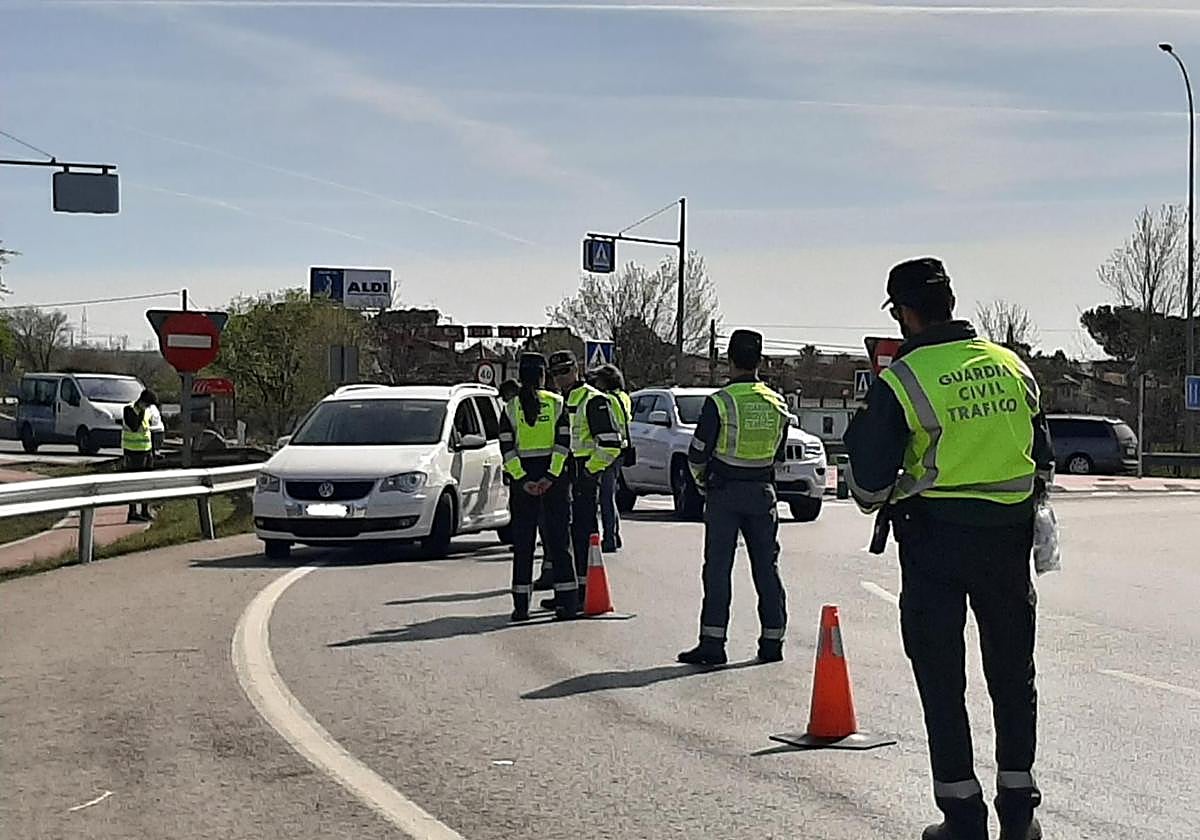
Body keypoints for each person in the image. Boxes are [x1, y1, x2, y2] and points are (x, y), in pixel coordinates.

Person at [843, 258, 1052, 840]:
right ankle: (1020, 813)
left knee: (942, 678)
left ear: (904, 314)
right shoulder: (1012, 367)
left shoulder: (904, 380)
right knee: (1013, 674)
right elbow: (1042, 454)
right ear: (951, 303)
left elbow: (866, 488)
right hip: (1008, 539)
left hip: (934, 540)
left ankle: (961, 816)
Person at [678, 330, 789, 667]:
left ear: (729, 361)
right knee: (766, 569)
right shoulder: (777, 402)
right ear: (760, 361)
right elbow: (779, 453)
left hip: (724, 492)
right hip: (763, 492)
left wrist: (701, 484)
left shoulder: (720, 402)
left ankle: (713, 643)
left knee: (718, 570)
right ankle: (773, 640)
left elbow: (697, 453)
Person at [497, 354, 578, 621]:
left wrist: (523, 480)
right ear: (543, 376)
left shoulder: (509, 408)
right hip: (553, 483)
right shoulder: (557, 403)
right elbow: (563, 445)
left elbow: (506, 449)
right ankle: (566, 604)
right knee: (558, 544)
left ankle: (521, 607)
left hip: (523, 486)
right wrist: (550, 477)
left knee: (523, 546)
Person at [545, 350, 623, 607]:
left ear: (576, 368)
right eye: (556, 374)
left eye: (565, 371)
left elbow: (611, 444)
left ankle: (584, 593)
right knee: (560, 537)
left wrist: (590, 471)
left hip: (582, 474)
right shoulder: (557, 402)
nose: (561, 378)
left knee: (582, 535)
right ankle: (566, 593)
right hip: (561, 474)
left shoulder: (594, 400)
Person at [594, 364, 633, 553]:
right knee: (610, 495)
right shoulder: (624, 397)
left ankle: (609, 537)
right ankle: (614, 535)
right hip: (622, 450)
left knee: (605, 497)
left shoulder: (606, 400)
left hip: (610, 450)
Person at [122, 388, 158, 523]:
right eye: (147, 404)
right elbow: (134, 427)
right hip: (132, 451)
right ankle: (132, 512)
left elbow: (147, 429)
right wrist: (142, 411)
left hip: (146, 450)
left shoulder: (147, 411)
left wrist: (153, 451)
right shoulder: (129, 409)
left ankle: (144, 510)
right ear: (142, 401)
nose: (148, 407)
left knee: (146, 483)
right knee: (134, 483)